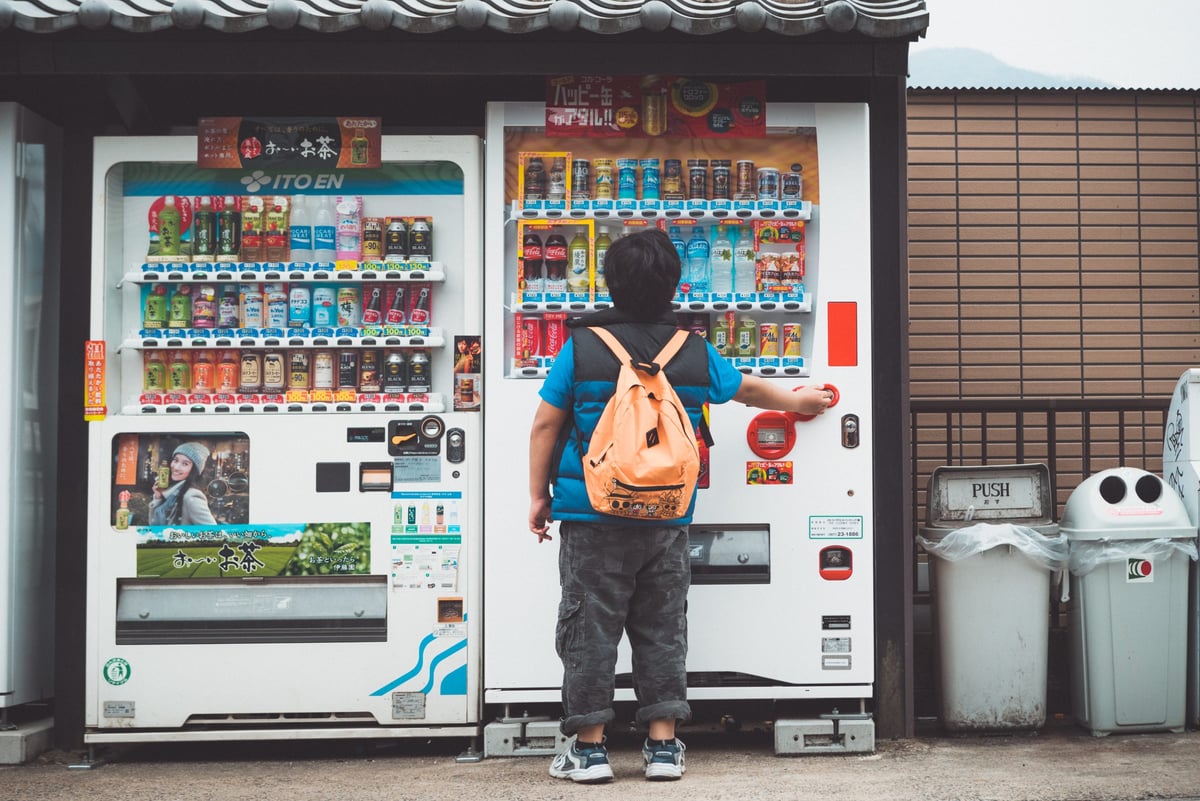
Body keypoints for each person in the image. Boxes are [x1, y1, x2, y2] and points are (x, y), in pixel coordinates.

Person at [527, 228, 833, 784]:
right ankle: (663, 747)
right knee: (662, 629)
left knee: (589, 629)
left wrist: (538, 496)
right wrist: (801, 401)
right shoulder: (692, 349)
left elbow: (546, 424)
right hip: (667, 514)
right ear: (674, 285)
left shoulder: (582, 347)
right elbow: (749, 390)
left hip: (592, 515)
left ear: (610, 283)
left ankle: (589, 752)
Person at [149, 441, 217, 526]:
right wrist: (158, 498)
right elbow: (154, 527)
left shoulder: (192, 496)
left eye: (185, 464)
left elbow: (212, 531)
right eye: (176, 460)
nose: (176, 467)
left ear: (193, 471)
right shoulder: (172, 492)